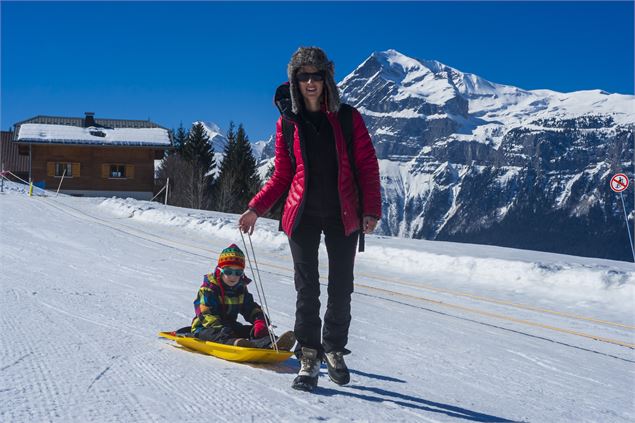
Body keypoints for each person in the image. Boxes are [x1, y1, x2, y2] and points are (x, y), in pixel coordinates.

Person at [238, 47, 381, 391]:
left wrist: (371, 210)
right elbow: (282, 176)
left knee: (341, 285)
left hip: (342, 213)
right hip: (301, 214)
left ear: (327, 79)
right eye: (304, 76)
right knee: (307, 287)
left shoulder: (348, 118)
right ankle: (308, 354)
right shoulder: (288, 123)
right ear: (295, 81)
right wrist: (256, 208)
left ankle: (333, 349)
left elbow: (367, 165)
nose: (311, 82)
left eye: (317, 75)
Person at [190, 243, 295, 350]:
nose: (233, 276)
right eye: (228, 271)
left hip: (230, 327)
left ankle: (271, 343)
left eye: (238, 272)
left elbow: (250, 308)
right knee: (218, 334)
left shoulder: (240, 289)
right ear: (220, 270)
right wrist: (222, 328)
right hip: (205, 328)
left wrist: (260, 322)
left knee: (253, 331)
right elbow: (206, 314)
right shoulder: (209, 289)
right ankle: (234, 343)